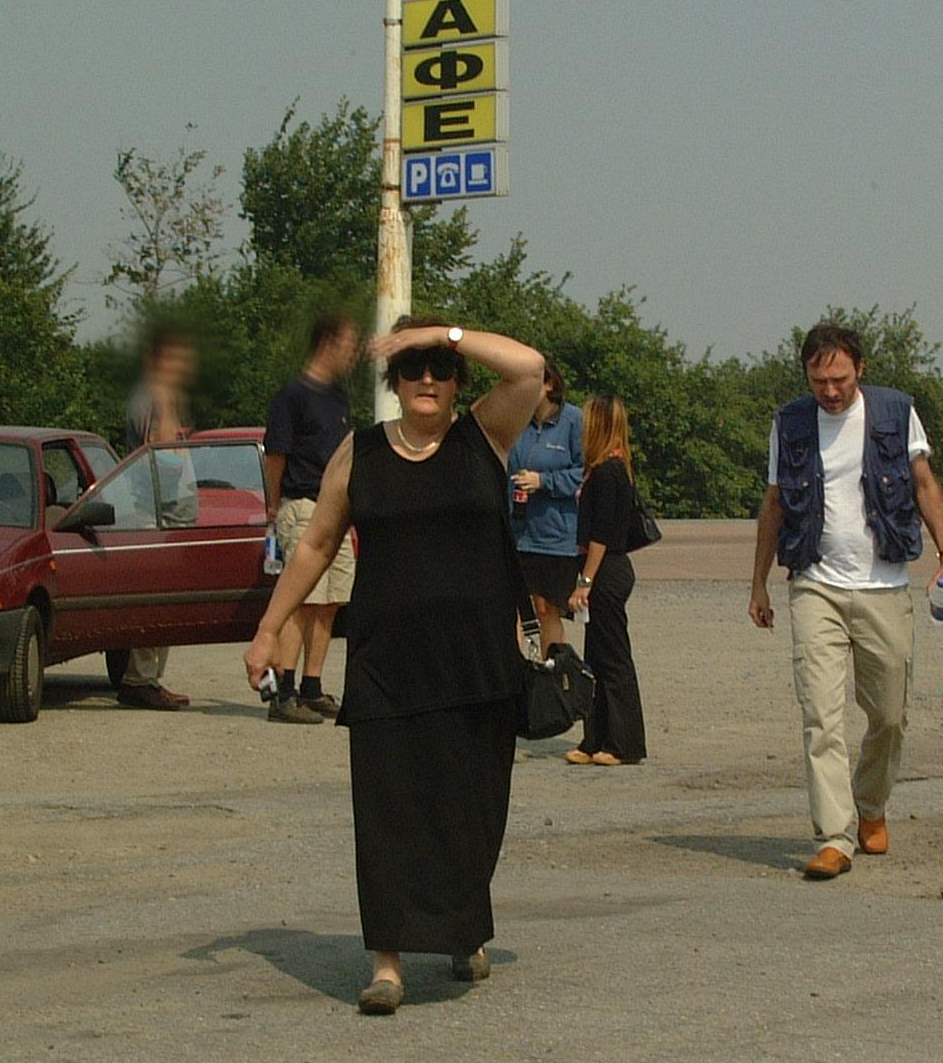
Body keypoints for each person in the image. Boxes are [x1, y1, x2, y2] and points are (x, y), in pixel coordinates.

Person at [244, 318, 547, 1016]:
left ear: (458, 381)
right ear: (395, 381)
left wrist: (440, 333)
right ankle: (386, 963)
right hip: (388, 663)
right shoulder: (361, 451)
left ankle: (462, 929)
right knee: (387, 811)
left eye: (439, 369)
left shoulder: (483, 435)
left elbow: (529, 368)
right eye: (413, 369)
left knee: (469, 811)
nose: (427, 380)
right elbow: (316, 545)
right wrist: (268, 628)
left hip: (476, 665)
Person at [747, 321, 943, 880]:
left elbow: (924, 483)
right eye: (818, 380)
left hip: (883, 586)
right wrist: (758, 584)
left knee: (889, 716)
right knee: (821, 717)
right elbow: (774, 504)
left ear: (860, 370)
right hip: (814, 584)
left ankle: (871, 804)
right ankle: (834, 837)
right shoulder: (790, 423)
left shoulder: (895, 412)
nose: (830, 391)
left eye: (840, 379)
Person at [260, 311, 363, 723]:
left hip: (336, 510)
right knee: (301, 600)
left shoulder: (338, 397)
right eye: (349, 345)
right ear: (327, 343)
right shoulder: (293, 394)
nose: (353, 354)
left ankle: (312, 686)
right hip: (302, 505)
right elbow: (276, 455)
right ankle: (283, 693)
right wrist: (274, 505)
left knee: (331, 601)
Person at [116, 322, 199, 710]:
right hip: (156, 514)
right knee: (157, 600)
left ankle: (149, 678)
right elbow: (158, 455)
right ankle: (139, 680)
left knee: (169, 602)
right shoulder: (153, 398)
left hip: (172, 514)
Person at [565, 393, 646, 767]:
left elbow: (602, 535)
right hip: (603, 568)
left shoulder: (610, 472)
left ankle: (623, 742)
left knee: (613, 660)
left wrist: (585, 581)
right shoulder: (604, 469)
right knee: (596, 657)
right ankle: (595, 736)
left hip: (607, 569)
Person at [506, 369, 584, 655]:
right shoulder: (517, 419)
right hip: (518, 532)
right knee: (514, 607)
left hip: (555, 535)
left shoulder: (573, 420)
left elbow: (585, 473)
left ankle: (555, 671)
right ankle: (516, 674)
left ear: (549, 384)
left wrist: (543, 482)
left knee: (546, 608)